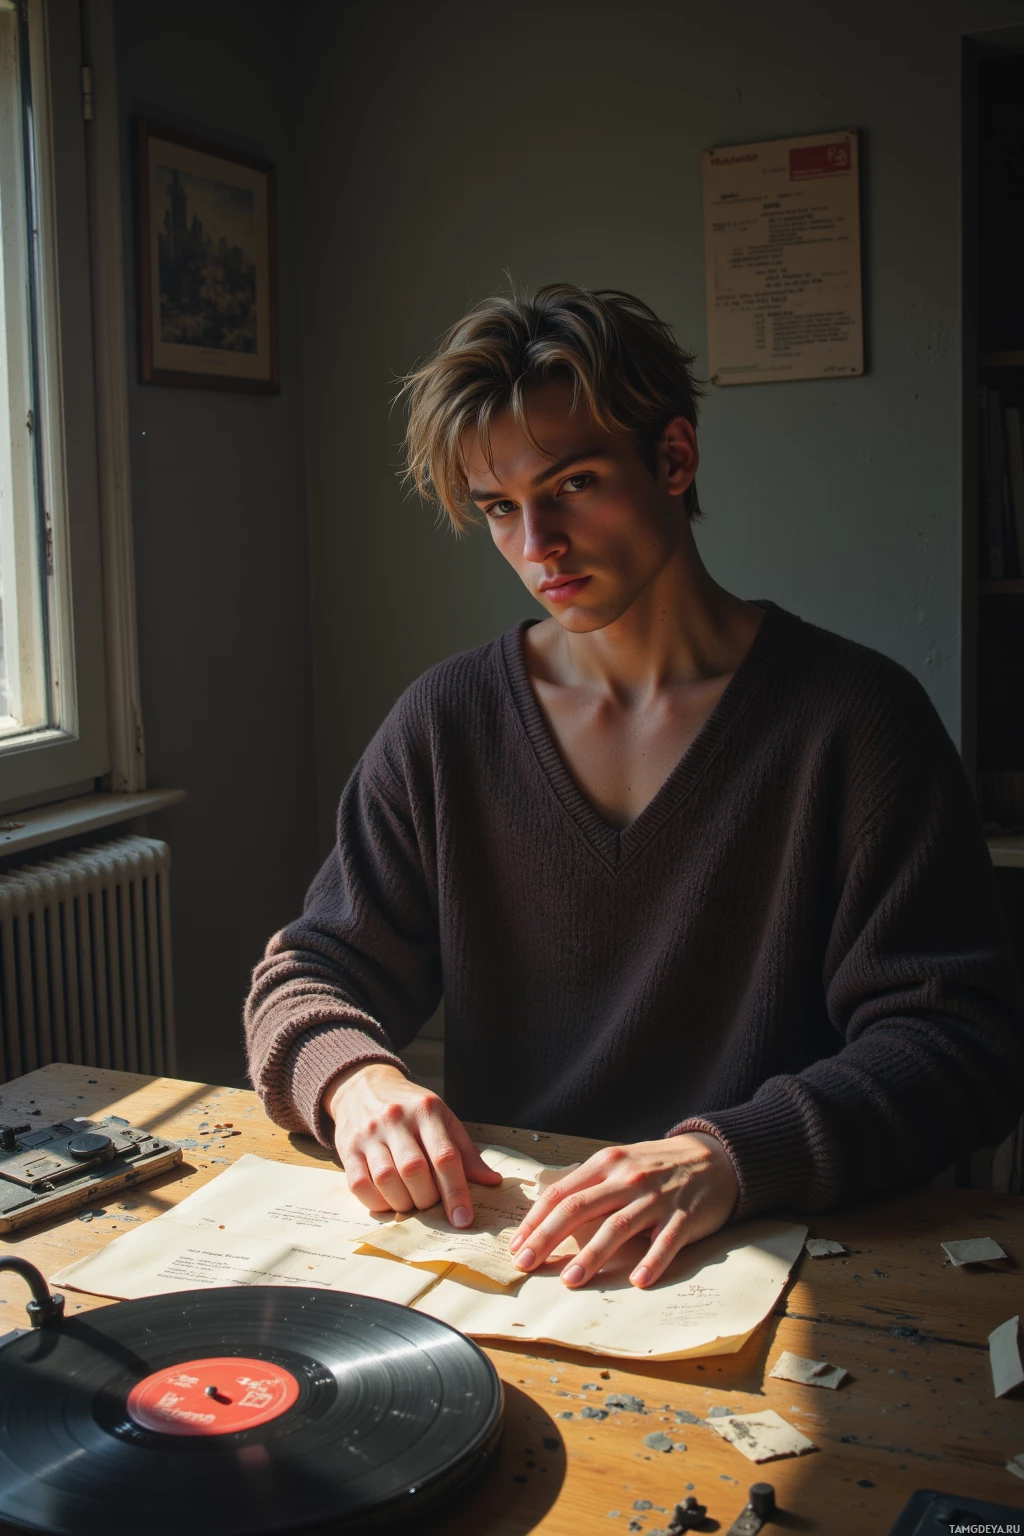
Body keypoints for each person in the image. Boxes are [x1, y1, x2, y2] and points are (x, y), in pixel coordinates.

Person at [244, 283, 1024, 1294]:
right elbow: (309, 971)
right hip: (526, 1265)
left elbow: (959, 1043)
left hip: (797, 1264)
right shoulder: (446, 723)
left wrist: (726, 1158)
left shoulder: (856, 722)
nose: (537, 546)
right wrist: (357, 1083)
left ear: (673, 460)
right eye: (498, 509)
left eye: (570, 485)